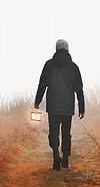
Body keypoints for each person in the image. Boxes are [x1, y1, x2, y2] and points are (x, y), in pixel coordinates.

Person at [34, 38, 85, 171]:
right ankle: (65, 160)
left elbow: (42, 84)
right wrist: (82, 107)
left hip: (53, 106)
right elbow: (79, 88)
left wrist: (37, 101)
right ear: (68, 49)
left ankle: (56, 155)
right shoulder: (74, 67)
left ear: (56, 49)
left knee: (54, 132)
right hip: (67, 107)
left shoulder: (49, 65)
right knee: (66, 133)